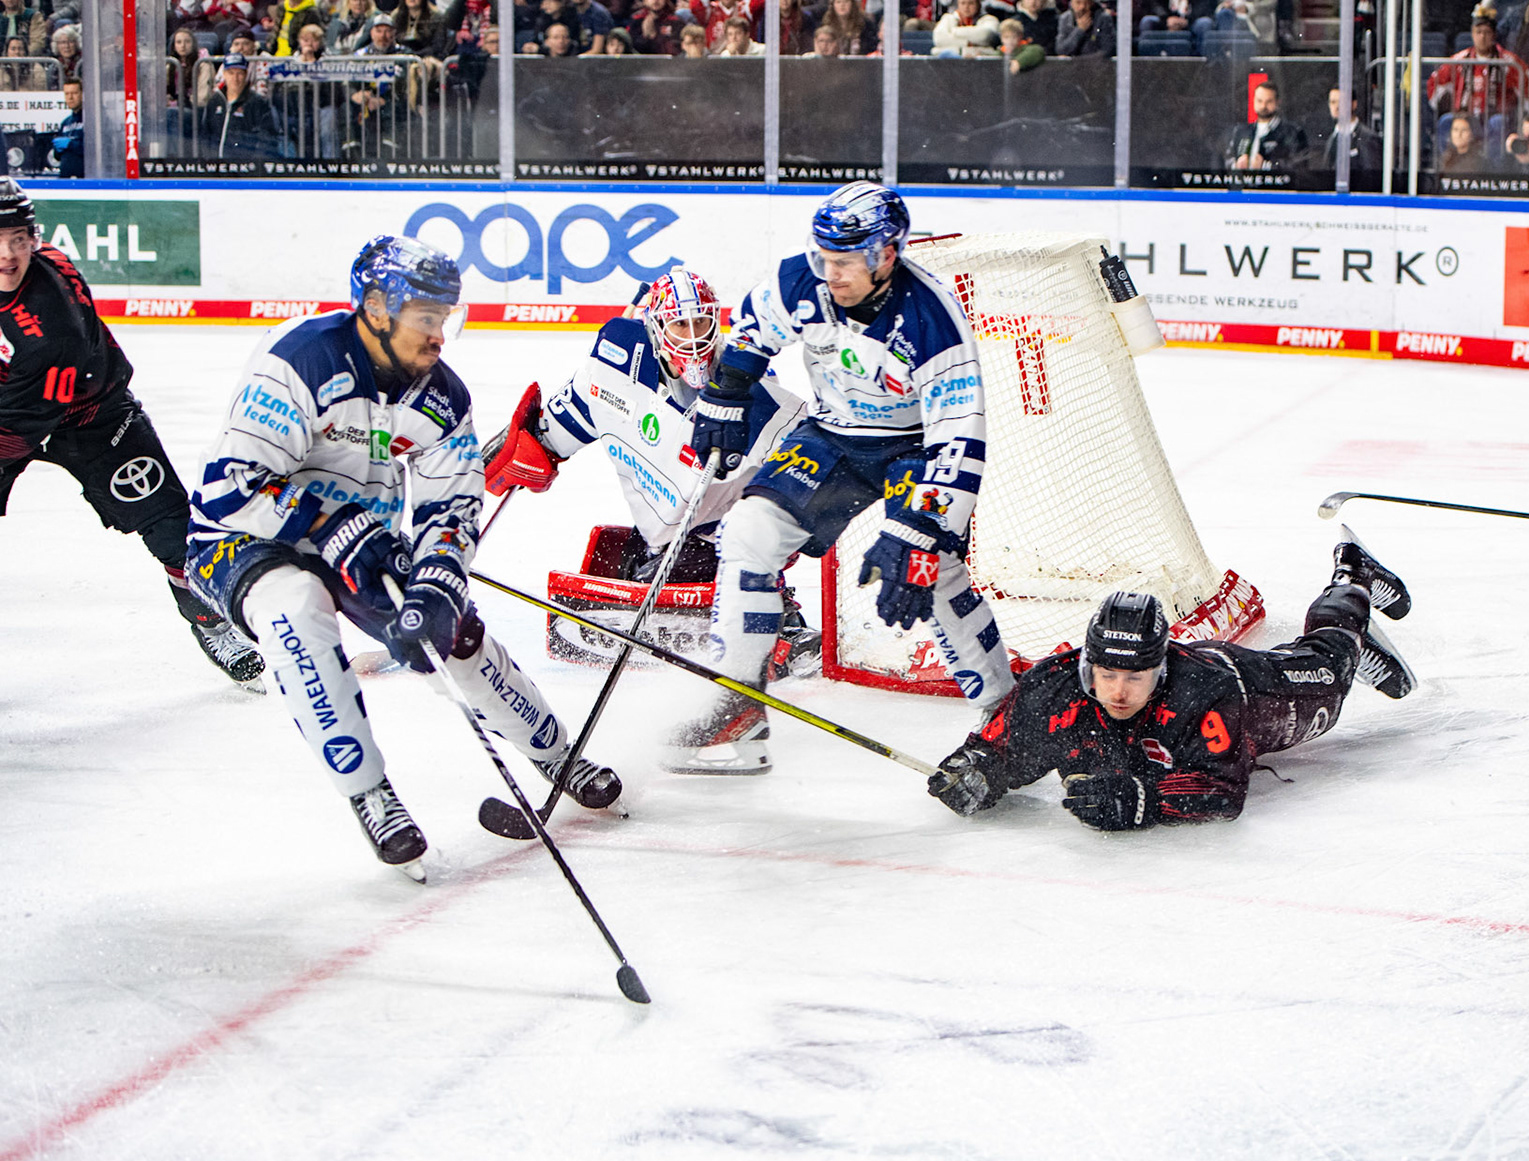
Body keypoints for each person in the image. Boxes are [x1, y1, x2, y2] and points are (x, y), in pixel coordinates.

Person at [185, 236, 623, 877]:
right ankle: (370, 792)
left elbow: (453, 507)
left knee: (454, 636)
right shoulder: (300, 360)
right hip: (245, 538)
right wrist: (331, 522)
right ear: (377, 308)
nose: (440, 334)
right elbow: (230, 486)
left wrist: (439, 578)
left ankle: (556, 753)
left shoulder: (442, 396)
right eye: (426, 318)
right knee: (295, 607)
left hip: (367, 542)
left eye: (446, 318)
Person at [670, 182, 1014, 774]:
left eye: (847, 262)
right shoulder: (802, 278)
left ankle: (1007, 720)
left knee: (932, 572)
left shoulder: (933, 317)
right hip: (830, 437)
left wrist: (919, 532)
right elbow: (754, 330)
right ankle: (739, 704)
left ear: (886, 254)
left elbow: (959, 436)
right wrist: (727, 392)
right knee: (749, 531)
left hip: (913, 451)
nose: (832, 274)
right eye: (827, 259)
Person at [926, 532, 1417, 829]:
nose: (1118, 691)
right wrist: (975, 771)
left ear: (1159, 670)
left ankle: (1353, 575)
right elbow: (1002, 751)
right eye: (1107, 674)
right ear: (1087, 665)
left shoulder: (1204, 697)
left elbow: (1223, 791)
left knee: (1329, 667)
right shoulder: (1050, 687)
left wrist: (1144, 800)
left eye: (1135, 677)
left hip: (1247, 684)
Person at [483, 267, 816, 679]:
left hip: (724, 531)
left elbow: (779, 459)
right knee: (661, 558)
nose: (693, 335)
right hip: (662, 530)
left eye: (701, 321)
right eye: (680, 324)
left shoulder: (748, 376)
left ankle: (773, 616)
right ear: (657, 327)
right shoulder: (621, 363)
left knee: (741, 541)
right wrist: (533, 446)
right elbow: (566, 423)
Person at [0, 183, 262, 688]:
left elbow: (19, 425)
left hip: (90, 415)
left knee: (171, 525)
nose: (10, 255)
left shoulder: (52, 323)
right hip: (22, 405)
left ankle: (208, 616)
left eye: (19, 238)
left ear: (34, 239)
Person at [1425, 6, 1524, 120]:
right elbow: (1434, 83)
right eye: (1478, 32)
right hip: (1464, 118)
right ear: (1472, 34)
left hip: (1495, 120)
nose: (1482, 37)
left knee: (1498, 122)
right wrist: (1450, 106)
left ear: (1494, 35)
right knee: (1447, 121)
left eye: (1487, 32)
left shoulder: (1508, 62)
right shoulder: (1459, 60)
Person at [199, 52, 281, 161]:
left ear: (246, 74)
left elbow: (266, 139)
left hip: (244, 169)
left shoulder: (257, 103)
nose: (235, 78)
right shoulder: (215, 101)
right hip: (216, 168)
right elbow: (205, 134)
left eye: (240, 73)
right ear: (224, 74)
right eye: (231, 73)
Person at [1224, 79, 1307, 172]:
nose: (1263, 106)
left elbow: (1299, 165)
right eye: (1259, 101)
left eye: (1269, 101)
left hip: (1276, 185)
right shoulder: (1240, 131)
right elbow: (1227, 160)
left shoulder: (1292, 132)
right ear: (1254, 101)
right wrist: (1236, 165)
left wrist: (1266, 166)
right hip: (1244, 185)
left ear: (1278, 102)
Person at [931, 0, 998, 57]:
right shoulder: (948, 18)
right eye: (963, 3)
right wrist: (968, 43)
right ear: (958, 5)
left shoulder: (989, 19)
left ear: (978, 4)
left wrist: (955, 31)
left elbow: (985, 35)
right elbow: (939, 39)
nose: (966, 7)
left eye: (971, 3)